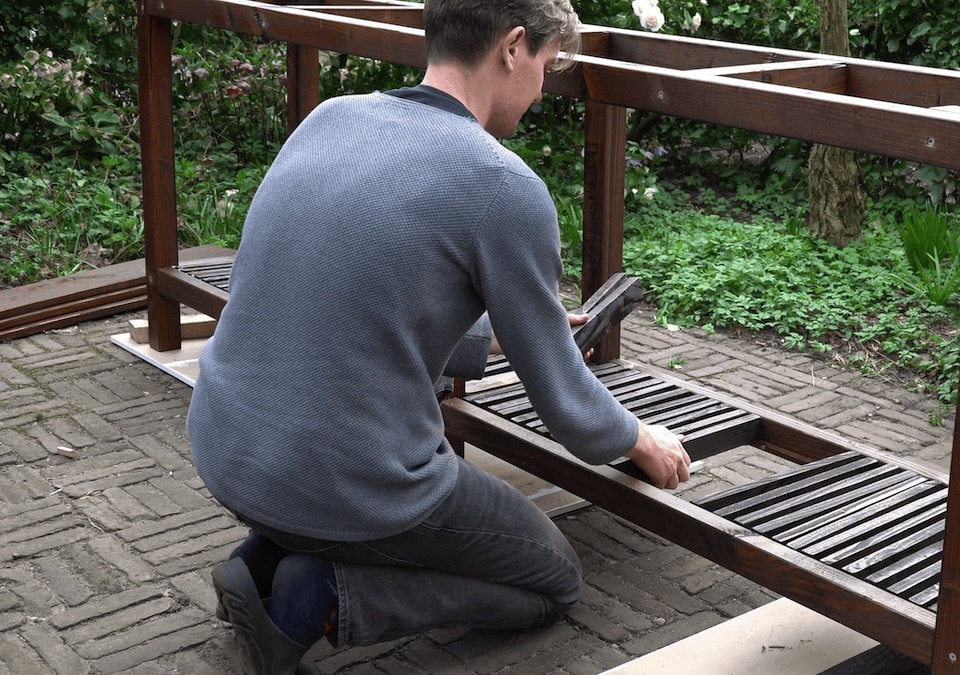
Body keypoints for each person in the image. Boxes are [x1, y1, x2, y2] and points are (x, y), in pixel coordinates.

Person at [185, 0, 692, 672]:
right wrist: (641, 438)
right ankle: (319, 596)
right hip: (350, 479)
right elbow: (568, 406)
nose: (543, 90)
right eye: (544, 65)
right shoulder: (502, 183)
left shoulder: (332, 118)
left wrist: (504, 334)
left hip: (227, 447)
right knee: (553, 578)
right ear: (513, 47)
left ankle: (265, 555)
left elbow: (351, 301)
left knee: (331, 496)